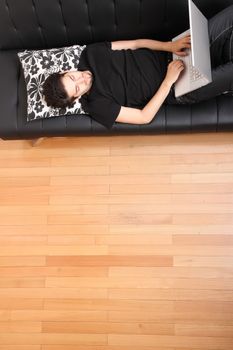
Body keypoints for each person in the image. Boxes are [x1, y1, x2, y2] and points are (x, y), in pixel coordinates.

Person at [43, 5, 233, 129]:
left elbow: (135, 44)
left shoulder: (90, 53)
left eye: (72, 77)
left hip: (174, 52)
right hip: (177, 88)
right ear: (76, 97)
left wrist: (169, 45)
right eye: (78, 88)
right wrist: (168, 81)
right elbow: (143, 117)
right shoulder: (96, 106)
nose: (82, 79)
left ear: (65, 71)